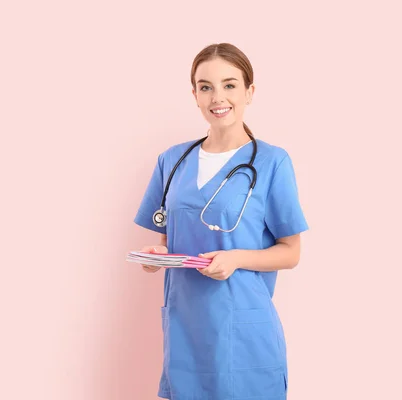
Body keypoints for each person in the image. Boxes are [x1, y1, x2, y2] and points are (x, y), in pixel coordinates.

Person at [133, 42, 308, 400]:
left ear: (249, 91)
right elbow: (171, 240)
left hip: (243, 331)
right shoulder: (172, 161)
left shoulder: (273, 163)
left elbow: (291, 252)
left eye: (229, 84)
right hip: (185, 330)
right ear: (195, 94)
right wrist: (157, 256)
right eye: (206, 86)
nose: (218, 97)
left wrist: (237, 258)